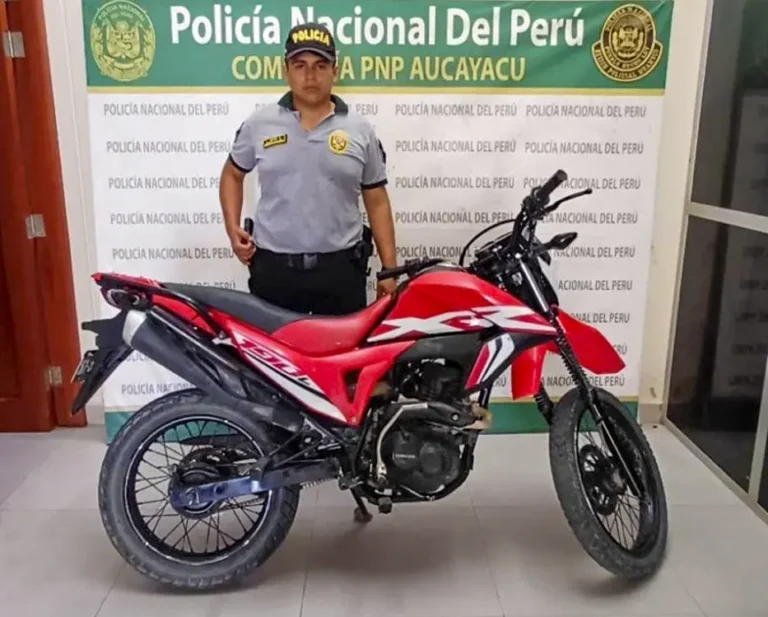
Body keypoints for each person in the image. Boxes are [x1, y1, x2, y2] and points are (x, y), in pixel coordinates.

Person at [218, 22, 398, 315]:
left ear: (335, 71)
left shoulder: (360, 130)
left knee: (343, 347)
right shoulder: (259, 124)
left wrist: (389, 270)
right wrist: (231, 227)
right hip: (274, 271)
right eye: (300, 65)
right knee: (272, 347)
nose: (310, 75)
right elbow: (232, 174)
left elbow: (376, 199)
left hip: (341, 273)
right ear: (285, 71)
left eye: (320, 66)